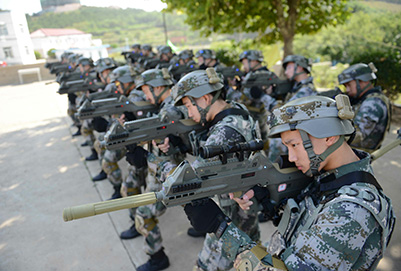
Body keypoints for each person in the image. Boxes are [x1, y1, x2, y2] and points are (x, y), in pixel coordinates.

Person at [184, 94, 395, 270]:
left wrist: (221, 227)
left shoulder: (350, 211)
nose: (292, 158)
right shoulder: (329, 176)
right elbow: (302, 230)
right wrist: (272, 202)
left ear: (329, 136)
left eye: (294, 145)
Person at [168, 68, 261, 271]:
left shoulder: (224, 133)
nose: (189, 113)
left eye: (188, 105)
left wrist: (166, 162)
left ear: (206, 98)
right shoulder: (237, 111)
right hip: (243, 213)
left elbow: (190, 180)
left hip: (230, 219)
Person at [124, 68, 187, 271]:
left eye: (147, 90)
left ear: (159, 87)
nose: (146, 96)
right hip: (161, 170)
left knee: (143, 214)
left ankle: (157, 257)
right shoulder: (164, 106)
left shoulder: (171, 110)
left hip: (169, 173)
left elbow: (179, 137)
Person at [338, 62, 391, 152]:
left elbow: (358, 135)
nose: (347, 90)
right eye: (345, 86)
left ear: (364, 81)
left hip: (357, 157)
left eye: (349, 85)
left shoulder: (373, 102)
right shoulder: (363, 99)